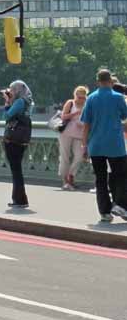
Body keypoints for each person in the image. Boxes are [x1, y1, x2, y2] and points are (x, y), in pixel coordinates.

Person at [80, 69, 127, 223]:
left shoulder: (91, 98)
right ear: (110, 81)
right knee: (121, 175)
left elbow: (86, 124)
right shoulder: (118, 97)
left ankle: (105, 212)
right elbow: (125, 116)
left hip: (96, 145)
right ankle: (119, 204)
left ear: (98, 81)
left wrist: (84, 145)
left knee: (100, 179)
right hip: (115, 144)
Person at [1, 80, 33, 208]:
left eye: (12, 90)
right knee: (17, 169)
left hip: (13, 139)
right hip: (22, 138)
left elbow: (7, 116)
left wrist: (7, 102)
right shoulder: (28, 101)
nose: (10, 92)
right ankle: (18, 198)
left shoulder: (20, 102)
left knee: (16, 170)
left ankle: (20, 199)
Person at [58, 86, 88, 190]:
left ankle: (70, 175)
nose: (81, 100)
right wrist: (75, 113)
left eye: (83, 97)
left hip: (80, 134)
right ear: (75, 96)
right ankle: (65, 181)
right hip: (66, 133)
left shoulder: (87, 105)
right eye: (79, 97)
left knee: (79, 157)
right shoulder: (70, 103)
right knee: (65, 157)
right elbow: (63, 116)